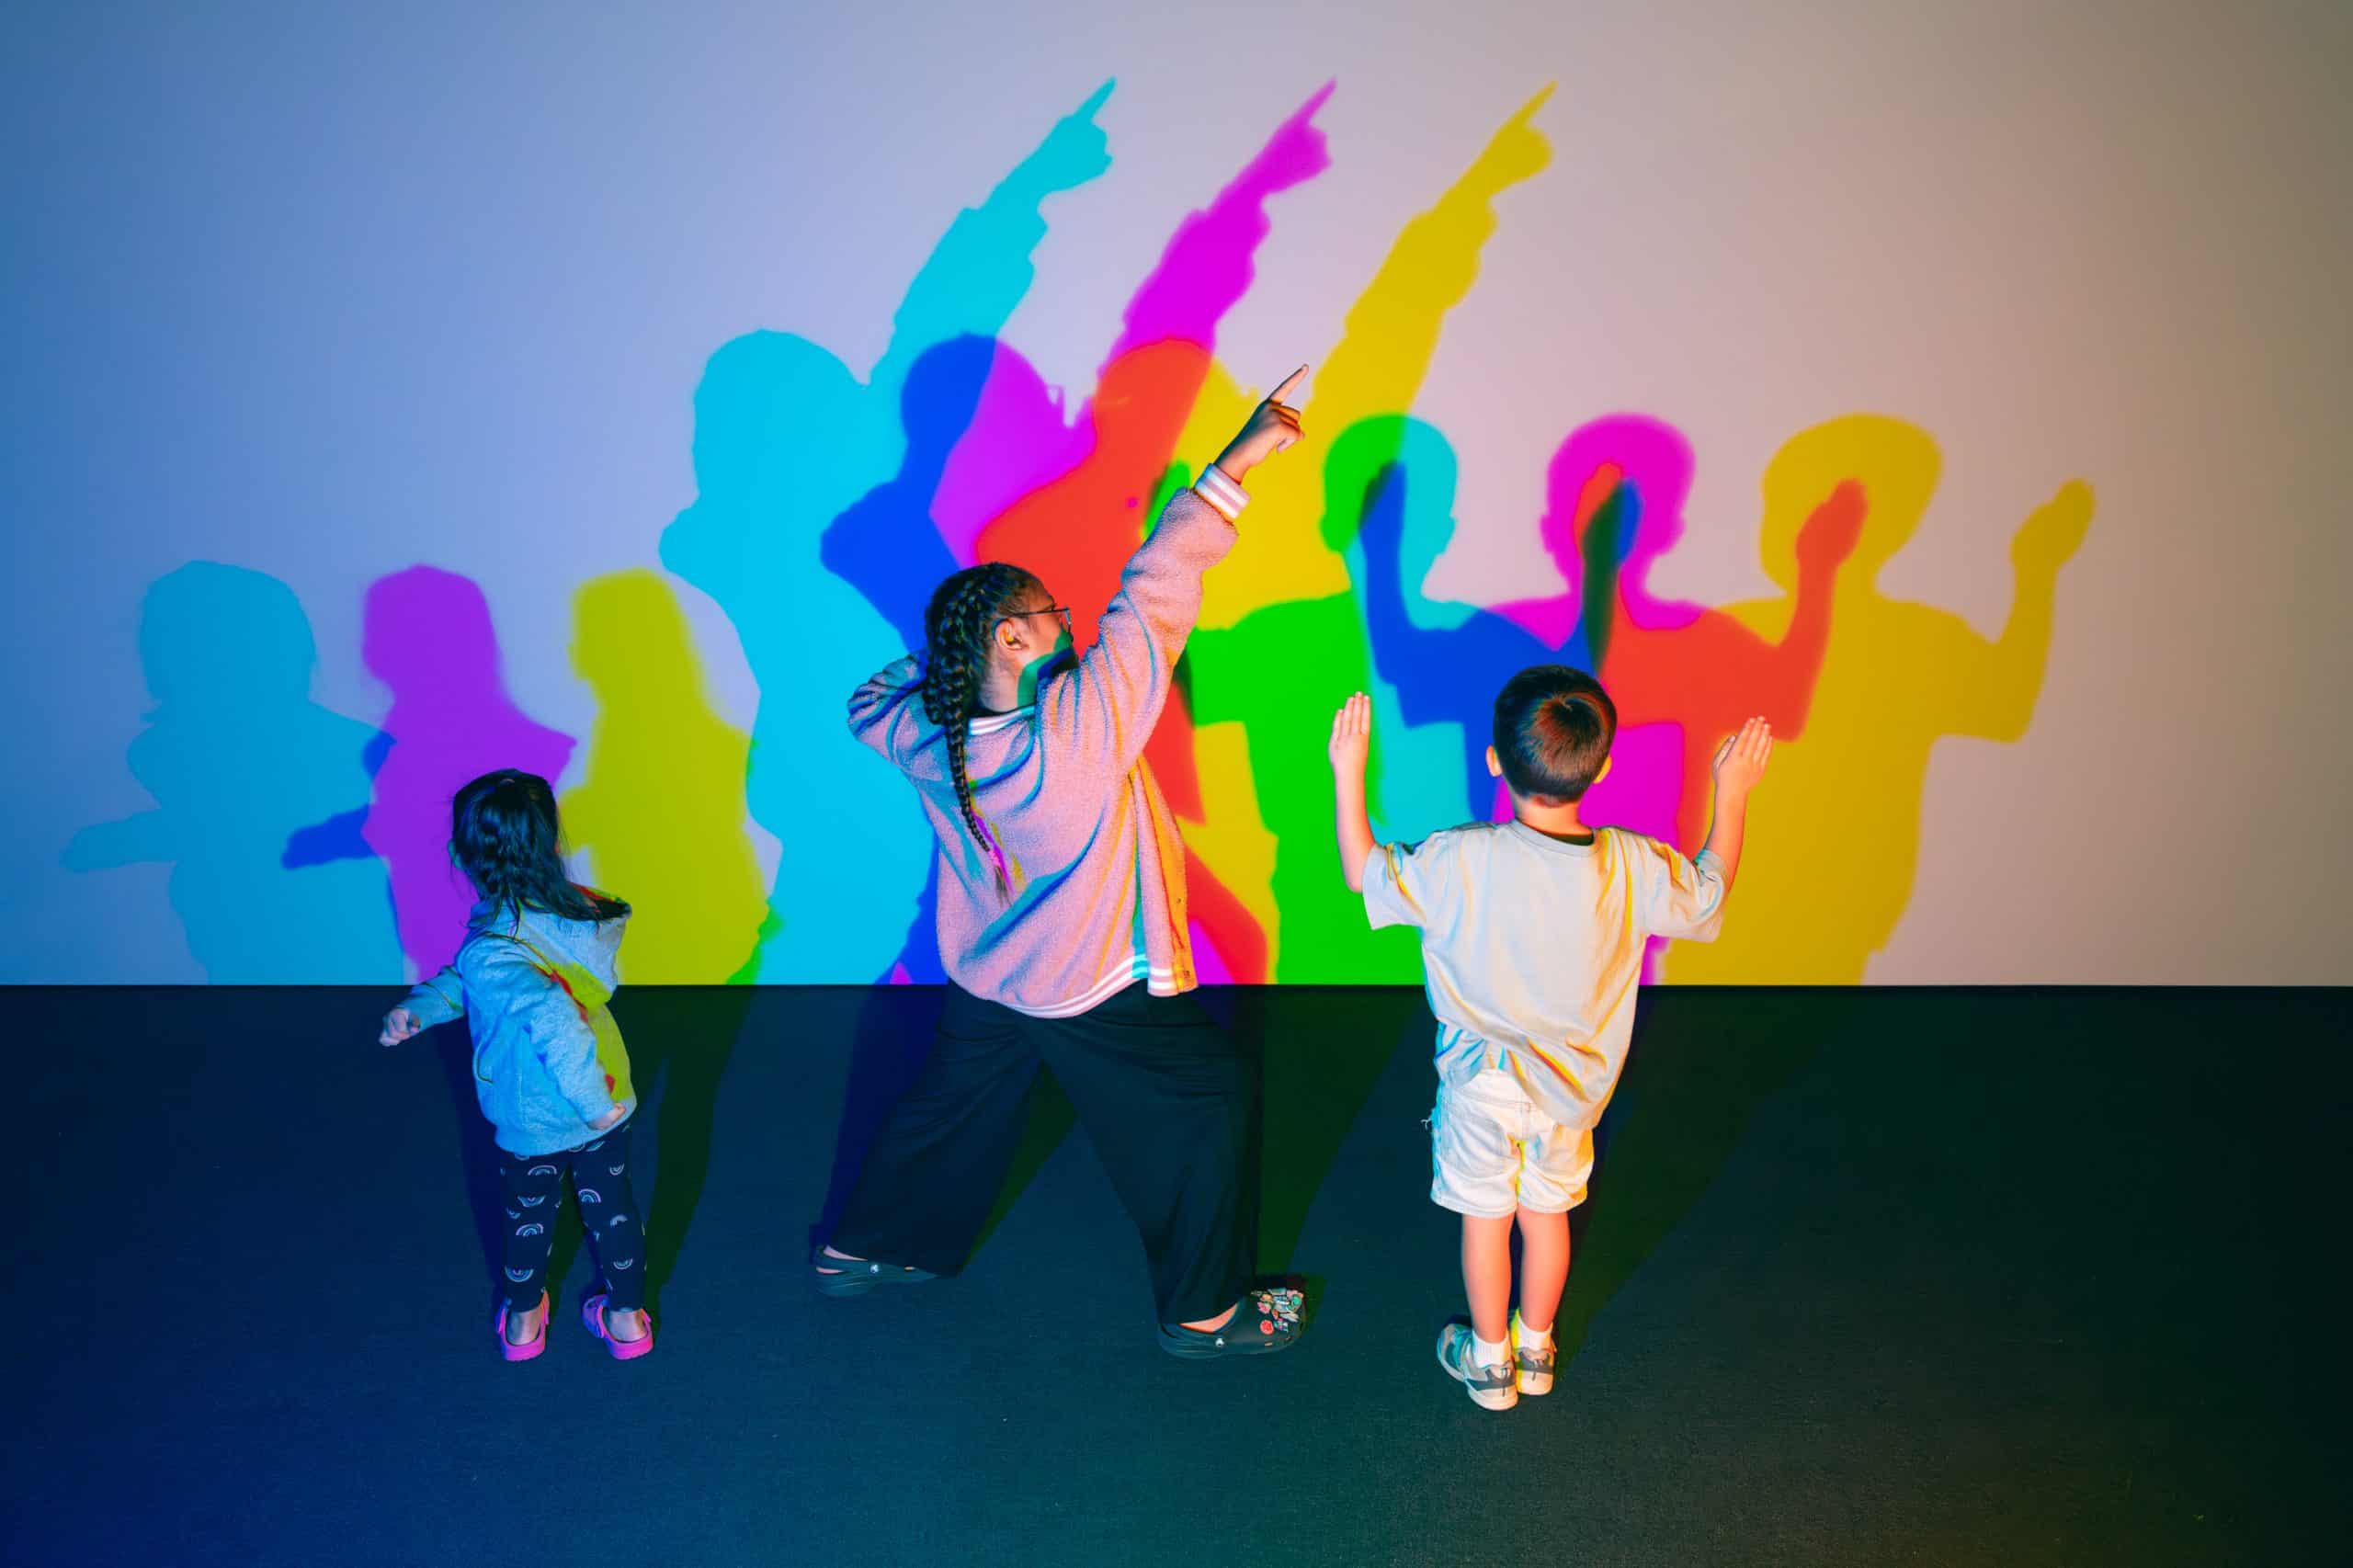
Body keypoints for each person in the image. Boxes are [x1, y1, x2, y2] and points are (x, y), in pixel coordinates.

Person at [815, 369, 1312, 1358]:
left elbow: (866, 701)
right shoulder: (1081, 727)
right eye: (1050, 613)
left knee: (951, 1103)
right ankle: (1206, 1313)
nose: (1069, 621)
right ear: (1012, 636)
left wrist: (944, 662)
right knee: (1208, 1100)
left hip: (990, 972)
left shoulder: (924, 731)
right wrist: (1244, 452)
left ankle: (865, 1248)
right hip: (1086, 978)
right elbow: (1159, 583)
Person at [1326, 670, 1771, 1406]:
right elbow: (1708, 896)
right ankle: (1536, 1351)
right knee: (1548, 1216)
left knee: (1486, 1222)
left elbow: (1361, 872)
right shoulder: (1633, 865)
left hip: (1480, 1087)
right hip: (1571, 1094)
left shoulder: (1457, 856)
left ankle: (1489, 1363)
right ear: (1604, 767)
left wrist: (1349, 772)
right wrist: (1733, 794)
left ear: (1494, 760)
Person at [377, 769, 652, 1363]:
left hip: (539, 1113)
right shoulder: (577, 914)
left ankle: (524, 1323)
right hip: (608, 1093)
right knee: (612, 1209)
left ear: (465, 853)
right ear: (550, 839)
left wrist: (586, 1101)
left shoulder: (494, 942)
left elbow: (548, 1013)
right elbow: (475, 981)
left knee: (529, 1215)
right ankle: (627, 1320)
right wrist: (422, 1007)